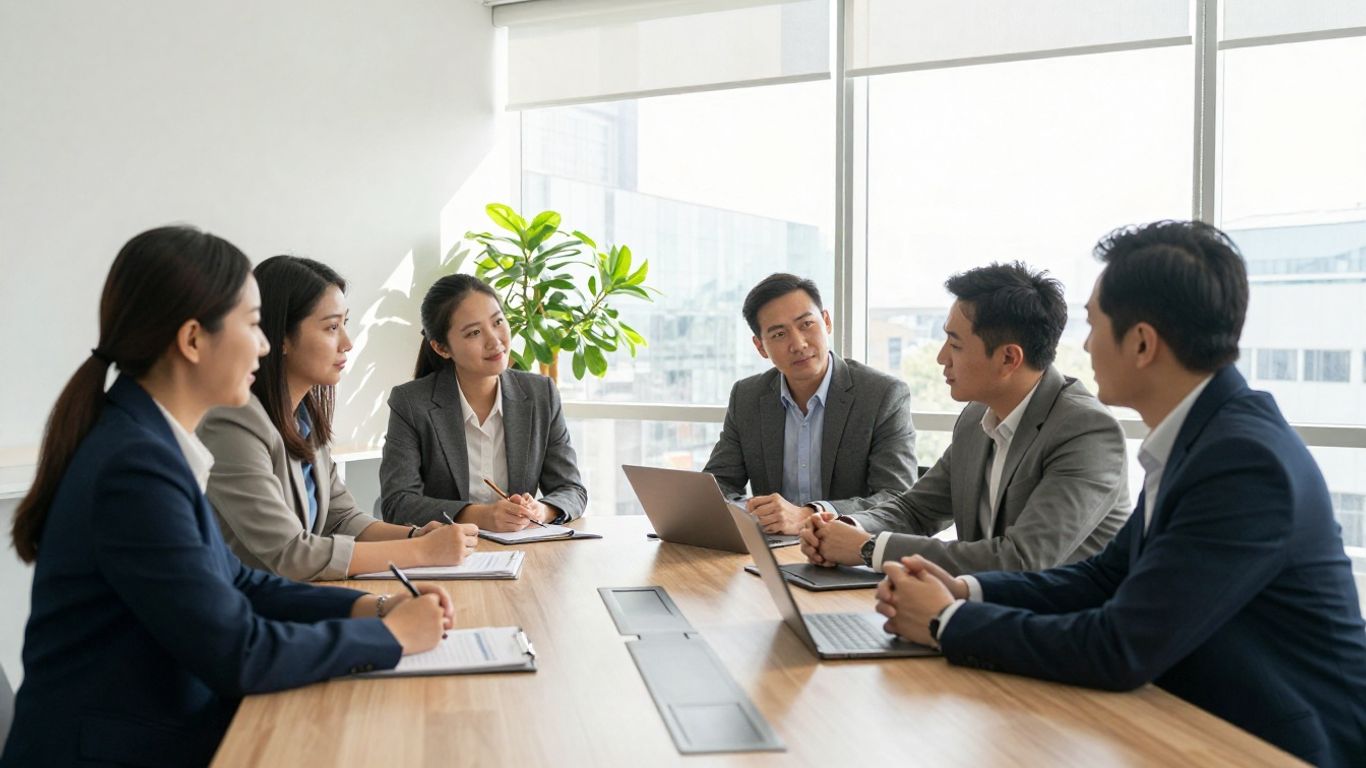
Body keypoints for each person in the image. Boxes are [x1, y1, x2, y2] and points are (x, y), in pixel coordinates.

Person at [877, 221, 1366, 767]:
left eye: (1092, 325)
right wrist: (966, 591)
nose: (1083, 346)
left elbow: (1120, 645)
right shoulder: (1203, 436)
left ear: (1140, 343)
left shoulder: (1243, 461)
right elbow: (1105, 577)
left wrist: (948, 623)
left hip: (1277, 746)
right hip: (1189, 721)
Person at [1, 227, 451, 767]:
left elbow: (236, 581)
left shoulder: (147, 440)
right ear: (193, 340)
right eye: (254, 325)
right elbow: (238, 652)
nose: (264, 345)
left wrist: (369, 607)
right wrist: (389, 638)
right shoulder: (134, 467)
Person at [800, 263, 1130, 574]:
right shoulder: (977, 417)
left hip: (1059, 624)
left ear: (1008, 358)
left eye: (955, 345)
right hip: (983, 610)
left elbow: (1022, 559)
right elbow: (915, 510)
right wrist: (845, 528)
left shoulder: (1087, 431)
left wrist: (870, 548)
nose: (942, 357)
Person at [198, 256, 478, 581]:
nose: (347, 342)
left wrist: (416, 537)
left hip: (300, 600)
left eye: (345, 323)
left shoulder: (305, 418)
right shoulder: (233, 425)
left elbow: (341, 517)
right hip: (252, 613)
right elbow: (291, 554)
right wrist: (423, 552)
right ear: (282, 338)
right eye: (332, 327)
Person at [703, 273, 918, 535]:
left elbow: (896, 499)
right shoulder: (746, 396)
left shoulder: (882, 395)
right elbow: (717, 485)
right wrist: (753, 511)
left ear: (826, 322)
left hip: (849, 554)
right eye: (779, 334)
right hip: (770, 553)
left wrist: (810, 514)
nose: (799, 344)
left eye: (806, 324)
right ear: (760, 347)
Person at [380, 274, 586, 531]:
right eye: (474, 332)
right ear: (442, 348)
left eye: (498, 322)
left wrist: (542, 510)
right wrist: (480, 516)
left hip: (523, 553)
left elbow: (571, 489)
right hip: (444, 555)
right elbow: (397, 504)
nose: (494, 340)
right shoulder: (411, 403)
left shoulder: (540, 393)